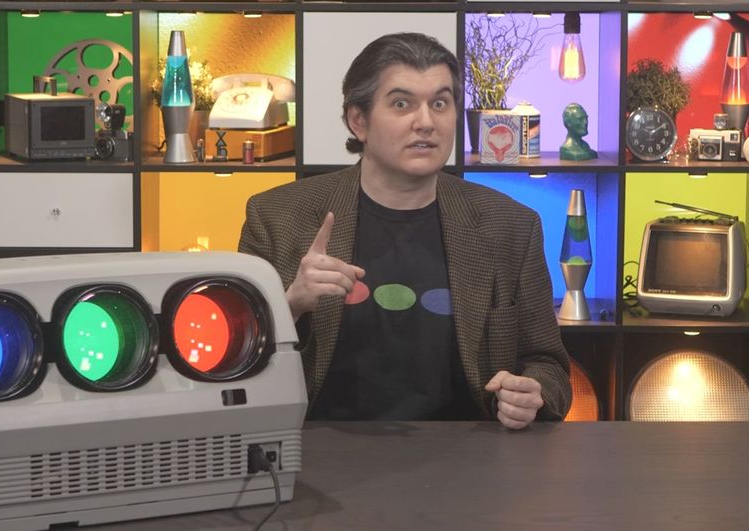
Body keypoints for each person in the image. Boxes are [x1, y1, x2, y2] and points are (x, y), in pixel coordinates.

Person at [238, 32, 570, 429]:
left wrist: (532, 392)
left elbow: (549, 367)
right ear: (358, 120)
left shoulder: (511, 225)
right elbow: (234, 362)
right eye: (401, 104)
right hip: (319, 454)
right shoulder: (278, 217)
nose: (426, 122)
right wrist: (290, 303)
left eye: (440, 103)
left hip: (470, 458)